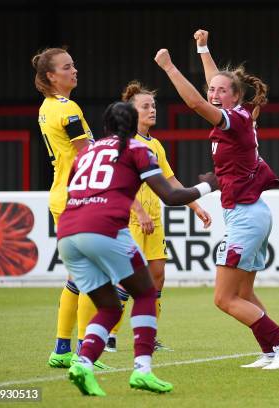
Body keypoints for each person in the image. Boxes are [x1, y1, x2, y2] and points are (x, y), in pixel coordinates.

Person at [151, 29, 279, 370]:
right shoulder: (236, 114)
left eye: (223, 91)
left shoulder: (233, 118)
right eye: (213, 90)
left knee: (223, 298)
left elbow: (195, 102)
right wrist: (203, 48)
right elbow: (214, 85)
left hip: (247, 216)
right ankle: (270, 349)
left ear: (236, 97)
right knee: (244, 295)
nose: (215, 93)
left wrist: (169, 67)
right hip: (250, 214)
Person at [58, 101, 218, 396]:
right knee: (144, 293)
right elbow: (170, 195)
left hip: (68, 234)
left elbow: (75, 190)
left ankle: (83, 363)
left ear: (105, 126)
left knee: (108, 306)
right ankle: (142, 370)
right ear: (133, 126)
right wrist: (209, 185)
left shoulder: (87, 152)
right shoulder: (137, 148)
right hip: (104, 228)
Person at [104, 81, 212, 352]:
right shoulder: (125, 143)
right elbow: (116, 184)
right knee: (128, 277)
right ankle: (109, 334)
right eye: (145, 106)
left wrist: (195, 205)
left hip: (154, 218)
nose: (152, 110)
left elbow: (170, 180)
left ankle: (147, 336)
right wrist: (138, 212)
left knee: (158, 275)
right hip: (131, 219)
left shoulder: (156, 145)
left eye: (153, 105)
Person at [32, 47, 110, 370]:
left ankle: (63, 349)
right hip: (78, 198)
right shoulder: (68, 108)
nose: (74, 70)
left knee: (77, 276)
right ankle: (82, 352)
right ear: (51, 76)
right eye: (67, 67)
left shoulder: (46, 108)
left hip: (61, 195)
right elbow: (86, 155)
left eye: (73, 65)